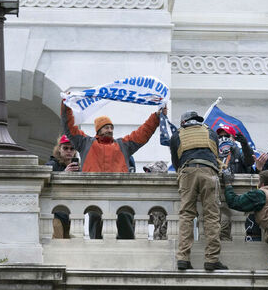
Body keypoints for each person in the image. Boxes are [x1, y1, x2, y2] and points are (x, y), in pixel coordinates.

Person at [62, 102, 161, 239]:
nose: (110, 130)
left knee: (125, 225)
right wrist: (66, 106)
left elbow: (142, 133)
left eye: (111, 128)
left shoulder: (123, 145)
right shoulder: (85, 143)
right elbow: (70, 128)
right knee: (96, 233)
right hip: (94, 197)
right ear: (98, 130)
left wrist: (156, 117)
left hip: (121, 197)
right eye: (106, 127)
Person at [169, 111, 225, 271]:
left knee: (186, 214)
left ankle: (183, 258)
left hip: (188, 171)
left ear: (183, 122)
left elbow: (176, 161)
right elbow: (216, 155)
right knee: (212, 216)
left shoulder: (177, 135)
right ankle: (212, 260)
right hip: (209, 171)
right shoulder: (211, 132)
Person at [215, 124, 257, 242]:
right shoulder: (214, 151)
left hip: (234, 196)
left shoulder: (238, 150)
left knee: (230, 232)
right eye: (220, 137)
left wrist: (244, 144)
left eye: (226, 136)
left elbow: (249, 162)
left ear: (233, 138)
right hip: (218, 195)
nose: (222, 139)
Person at [46, 135, 81, 238]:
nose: (69, 151)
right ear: (59, 149)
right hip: (56, 214)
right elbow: (46, 184)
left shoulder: (78, 168)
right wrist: (64, 173)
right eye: (65, 148)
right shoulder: (52, 165)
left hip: (72, 215)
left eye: (72, 148)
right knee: (57, 243)